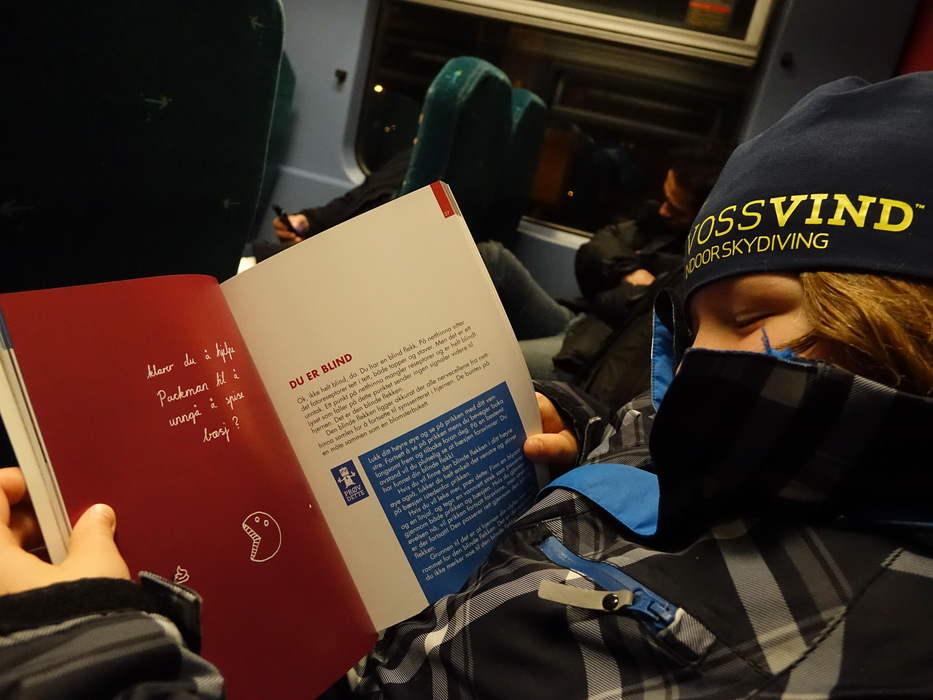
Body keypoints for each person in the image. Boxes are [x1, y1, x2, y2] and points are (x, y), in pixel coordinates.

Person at [4, 72, 933, 698]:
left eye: (753, 312)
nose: (695, 364)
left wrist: (77, 643)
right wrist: (586, 458)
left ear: (901, 316)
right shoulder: (772, 446)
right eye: (693, 325)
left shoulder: (833, 643)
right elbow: (666, 446)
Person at [481, 140, 730, 409]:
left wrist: (620, 287)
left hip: (588, 355)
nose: (663, 209)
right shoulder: (658, 225)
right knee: (494, 257)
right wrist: (630, 270)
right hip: (580, 321)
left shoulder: (698, 267)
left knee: (490, 366)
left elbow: (620, 305)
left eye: (675, 207)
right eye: (666, 198)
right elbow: (599, 245)